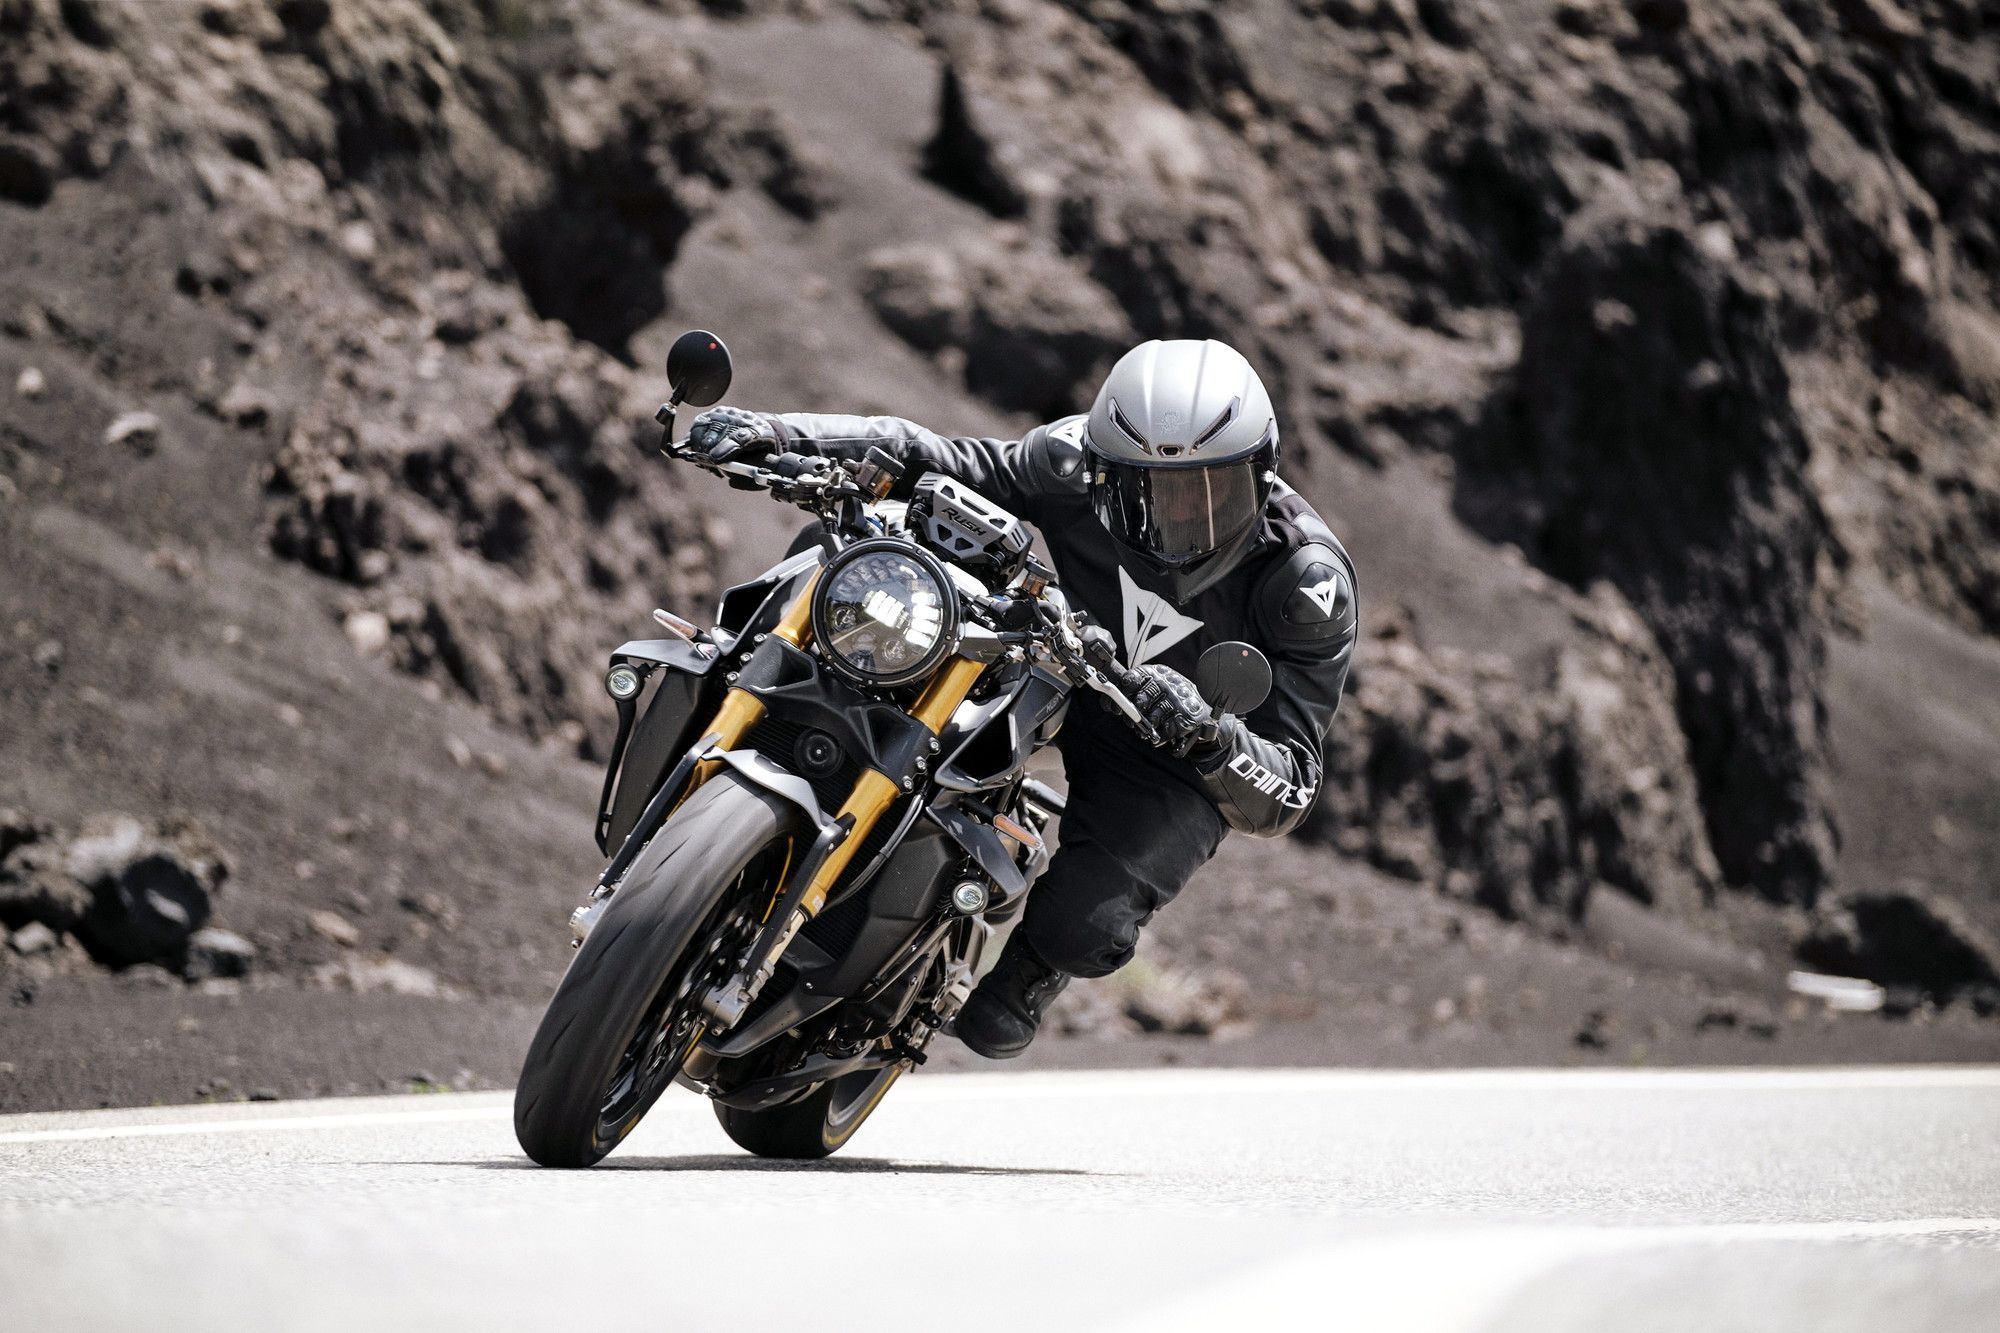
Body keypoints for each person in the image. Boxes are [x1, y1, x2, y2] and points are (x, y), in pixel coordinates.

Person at [686, 339, 1358, 1058]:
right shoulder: (1070, 459)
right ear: (1100, 469)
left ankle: (1024, 971)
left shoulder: (1307, 583)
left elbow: (1292, 783)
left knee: (1075, 935)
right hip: (1042, 652)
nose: (1176, 520)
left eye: (1209, 493)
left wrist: (1210, 734)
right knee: (846, 557)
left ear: (1264, 472)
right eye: (1145, 492)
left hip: (1165, 744)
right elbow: (930, 455)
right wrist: (779, 434)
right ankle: (733, 743)